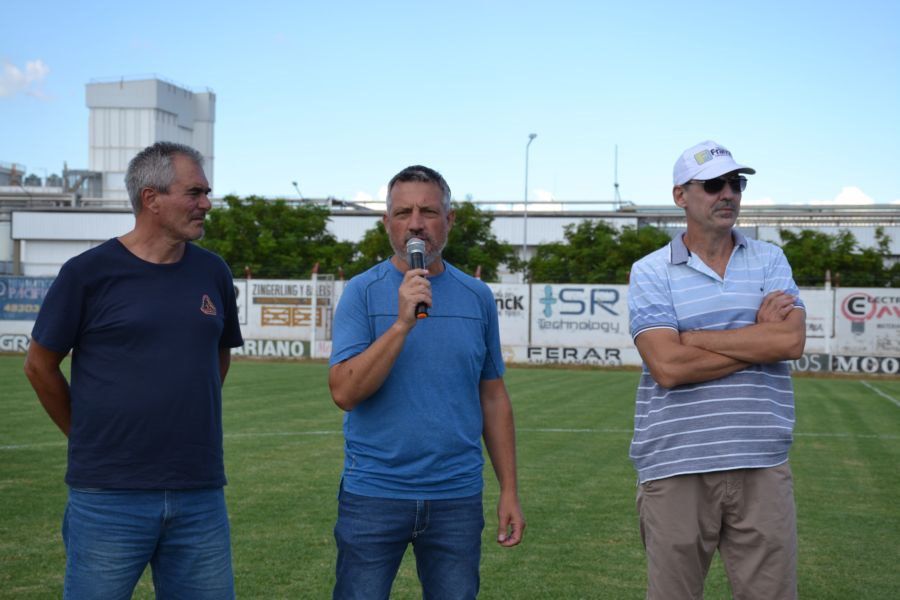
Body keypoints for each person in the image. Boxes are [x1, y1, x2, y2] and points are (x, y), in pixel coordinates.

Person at [23, 141, 243, 599]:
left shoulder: (213, 273)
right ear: (151, 199)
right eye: (195, 192)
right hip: (108, 497)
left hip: (199, 492)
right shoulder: (88, 273)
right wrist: (85, 433)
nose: (206, 204)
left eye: (207, 193)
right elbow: (39, 365)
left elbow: (217, 355)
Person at [328, 165, 525, 599]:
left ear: (449, 220)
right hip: (374, 495)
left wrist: (509, 489)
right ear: (387, 223)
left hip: (456, 496)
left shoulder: (477, 297)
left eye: (428, 211)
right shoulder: (361, 292)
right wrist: (401, 324)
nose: (415, 223)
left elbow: (493, 396)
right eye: (403, 213)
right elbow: (344, 392)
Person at [627, 140, 806, 600]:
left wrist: (695, 338)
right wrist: (755, 338)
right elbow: (667, 366)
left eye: (735, 183)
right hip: (676, 465)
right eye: (713, 184)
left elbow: (789, 340)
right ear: (680, 196)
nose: (728, 193)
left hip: (762, 463)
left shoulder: (770, 259)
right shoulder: (651, 271)